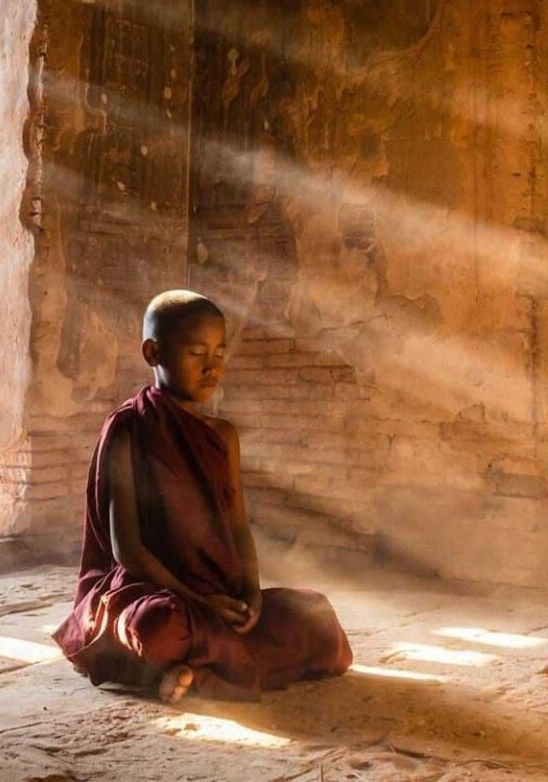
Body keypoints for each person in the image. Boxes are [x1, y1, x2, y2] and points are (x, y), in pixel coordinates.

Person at [53, 289, 353, 702]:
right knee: (158, 627)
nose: (213, 367)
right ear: (152, 352)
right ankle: (199, 665)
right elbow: (128, 551)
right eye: (197, 353)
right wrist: (199, 602)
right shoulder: (129, 428)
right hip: (153, 592)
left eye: (219, 353)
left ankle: (186, 669)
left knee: (316, 618)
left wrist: (251, 595)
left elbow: (238, 527)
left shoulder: (222, 436)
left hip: (220, 597)